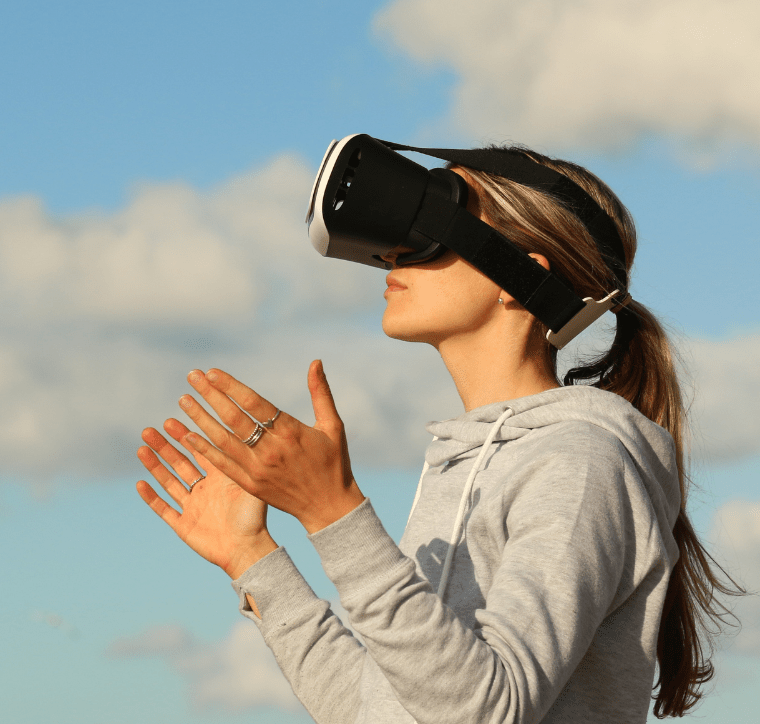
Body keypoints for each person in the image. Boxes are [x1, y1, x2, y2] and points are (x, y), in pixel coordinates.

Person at [134, 145, 739, 723]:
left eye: (432, 221)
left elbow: (484, 712)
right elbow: (383, 713)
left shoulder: (581, 462)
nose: (394, 251)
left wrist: (332, 511)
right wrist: (252, 558)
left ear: (518, 275)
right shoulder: (462, 462)